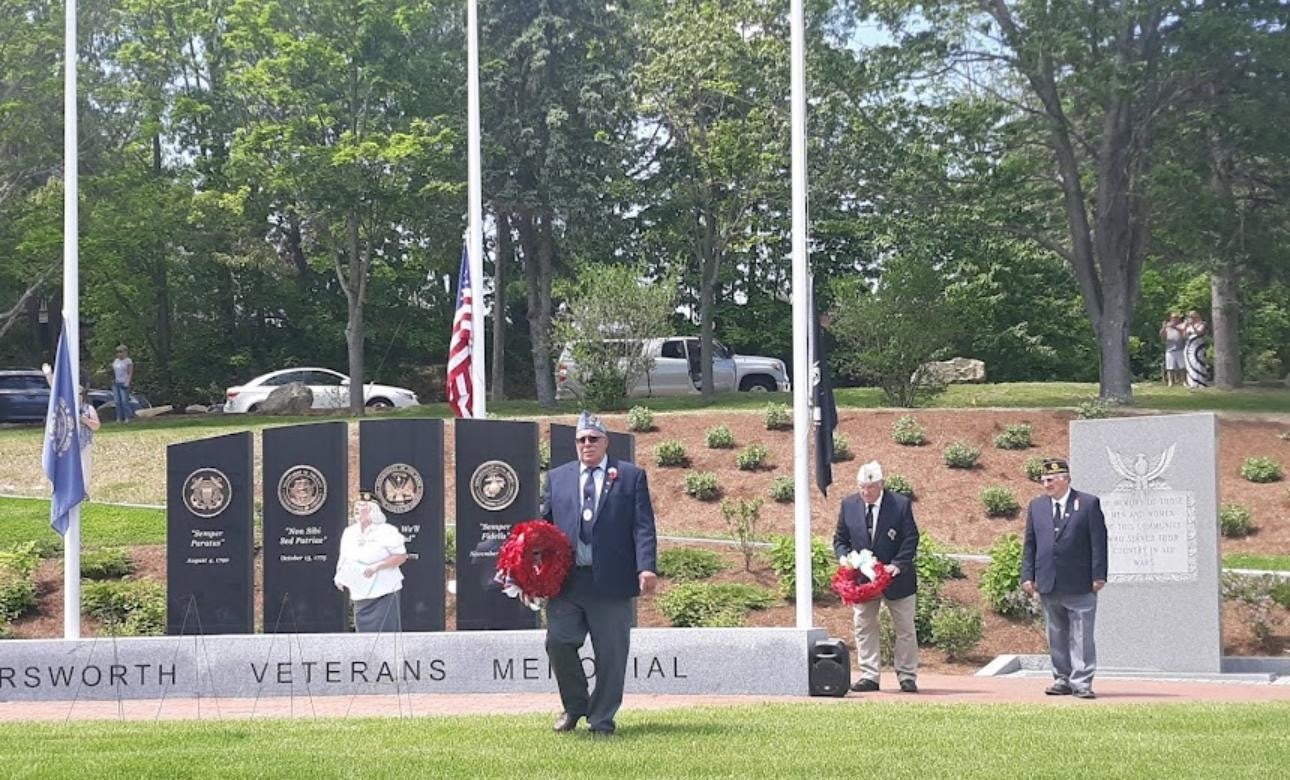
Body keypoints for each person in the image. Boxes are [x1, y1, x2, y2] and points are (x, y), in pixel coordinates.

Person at [542, 411, 658, 736]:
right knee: (559, 642)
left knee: (610, 655)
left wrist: (646, 566)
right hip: (568, 581)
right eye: (581, 440)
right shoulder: (558, 478)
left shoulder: (630, 476)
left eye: (593, 439)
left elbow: (643, 526)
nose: (587, 444)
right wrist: (530, 570)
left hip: (611, 582)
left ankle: (602, 718)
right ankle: (575, 705)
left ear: (606, 442)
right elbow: (543, 528)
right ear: (575, 444)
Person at [1021, 458, 1107, 700]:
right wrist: (1028, 575)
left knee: (1081, 634)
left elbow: (1098, 543)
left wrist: (1099, 575)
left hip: (1080, 581)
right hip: (1048, 580)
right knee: (1056, 633)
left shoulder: (1088, 503)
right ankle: (1062, 679)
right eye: (1043, 480)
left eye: (1050, 480)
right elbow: (1030, 543)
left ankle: (1081, 682)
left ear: (1065, 480)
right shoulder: (1036, 506)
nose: (1046, 484)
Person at [833, 460, 920, 694]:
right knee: (864, 626)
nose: (865, 492)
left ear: (881, 484)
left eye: (870, 487)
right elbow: (840, 539)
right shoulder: (849, 505)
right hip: (864, 580)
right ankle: (869, 675)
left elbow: (910, 538)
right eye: (861, 487)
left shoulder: (900, 505)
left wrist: (897, 565)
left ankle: (907, 675)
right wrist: (845, 559)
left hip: (897, 579)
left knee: (905, 628)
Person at [334, 493, 408, 633]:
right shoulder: (349, 532)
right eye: (355, 507)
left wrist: (376, 567)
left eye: (362, 507)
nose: (356, 509)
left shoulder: (387, 531)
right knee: (364, 636)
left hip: (384, 592)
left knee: (386, 635)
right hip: (361, 592)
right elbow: (344, 558)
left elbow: (401, 556)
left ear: (372, 510)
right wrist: (339, 575)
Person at [1183, 310, 1212, 388]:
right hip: (1189, 347)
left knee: (1198, 363)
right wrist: (1186, 326)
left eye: (1193, 316)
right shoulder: (1188, 326)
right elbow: (1184, 336)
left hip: (1198, 347)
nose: (1191, 318)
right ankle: (1192, 383)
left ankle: (1201, 382)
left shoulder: (1202, 324)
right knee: (1190, 364)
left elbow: (1199, 333)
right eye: (1190, 316)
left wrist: (1192, 326)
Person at [1159, 313, 1186, 387]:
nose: (1175, 319)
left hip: (1180, 349)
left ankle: (1184, 381)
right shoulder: (1167, 327)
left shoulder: (1182, 325)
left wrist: (1175, 327)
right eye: (1173, 317)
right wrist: (1164, 328)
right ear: (1171, 318)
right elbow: (1162, 337)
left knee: (1182, 367)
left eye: (1176, 317)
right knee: (1170, 367)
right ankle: (1170, 382)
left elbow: (1184, 334)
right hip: (1170, 350)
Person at [110, 345, 135, 422]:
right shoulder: (116, 361)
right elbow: (113, 372)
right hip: (116, 383)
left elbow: (130, 373)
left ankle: (128, 417)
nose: (119, 354)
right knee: (117, 402)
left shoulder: (128, 361)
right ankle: (119, 418)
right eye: (117, 352)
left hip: (124, 382)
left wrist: (127, 382)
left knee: (124, 401)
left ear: (125, 352)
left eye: (120, 352)